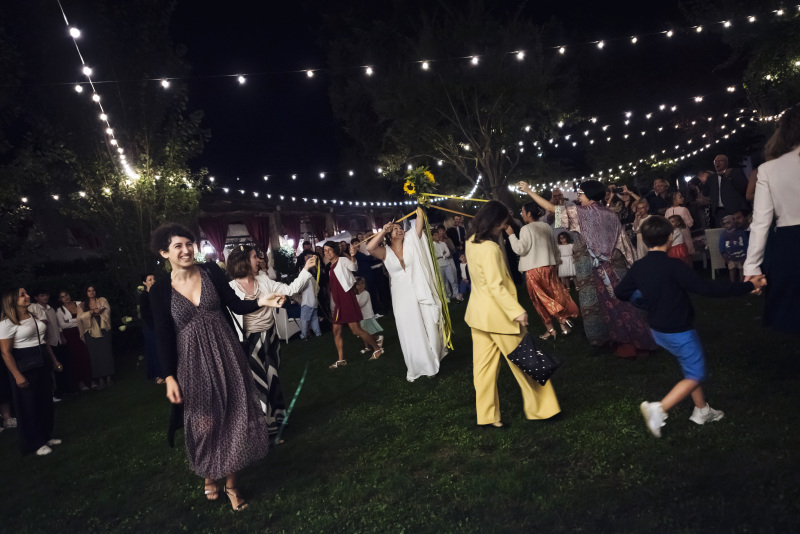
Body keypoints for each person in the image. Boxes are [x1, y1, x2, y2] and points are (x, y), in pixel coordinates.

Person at [149, 223, 285, 510]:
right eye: (178, 246)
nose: (186, 250)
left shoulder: (211, 271)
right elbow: (162, 336)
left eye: (189, 244)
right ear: (164, 253)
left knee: (235, 417)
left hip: (227, 355)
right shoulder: (160, 290)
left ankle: (232, 485)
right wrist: (169, 376)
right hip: (192, 364)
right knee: (204, 424)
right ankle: (210, 472)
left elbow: (235, 304)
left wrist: (261, 300)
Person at [614, 216, 765, 437]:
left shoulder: (639, 267)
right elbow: (707, 289)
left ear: (645, 240)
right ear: (670, 237)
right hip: (679, 331)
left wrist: (641, 298)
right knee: (697, 374)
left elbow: (620, 292)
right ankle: (659, 409)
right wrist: (747, 286)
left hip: (657, 330)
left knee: (689, 364)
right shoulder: (674, 266)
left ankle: (702, 410)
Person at [518, 180, 656, 356]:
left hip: (593, 269)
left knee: (600, 305)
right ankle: (632, 336)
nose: (578, 197)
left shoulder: (581, 213)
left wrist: (530, 191)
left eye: (581, 194)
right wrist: (632, 264)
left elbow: (552, 209)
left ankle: (608, 340)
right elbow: (624, 243)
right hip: (616, 266)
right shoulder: (611, 214)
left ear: (590, 195)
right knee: (622, 302)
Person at [464, 200, 560, 428]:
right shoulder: (489, 248)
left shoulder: (470, 241)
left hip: (478, 316)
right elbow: (495, 285)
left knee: (483, 371)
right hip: (500, 317)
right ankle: (544, 410)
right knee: (527, 362)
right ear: (495, 221)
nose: (504, 227)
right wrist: (516, 311)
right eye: (503, 223)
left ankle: (487, 417)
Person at [228, 245, 317, 436]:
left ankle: (278, 420)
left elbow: (291, 289)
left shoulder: (263, 279)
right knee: (258, 383)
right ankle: (264, 427)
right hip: (250, 342)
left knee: (272, 379)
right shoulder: (231, 288)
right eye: (255, 257)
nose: (259, 260)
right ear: (244, 262)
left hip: (270, 336)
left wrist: (305, 270)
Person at [367, 207, 446, 381]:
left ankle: (431, 359)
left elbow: (419, 223)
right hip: (401, 295)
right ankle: (417, 364)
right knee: (409, 327)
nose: (399, 230)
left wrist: (419, 206)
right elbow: (370, 247)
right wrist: (383, 231)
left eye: (400, 227)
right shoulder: (385, 251)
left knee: (425, 322)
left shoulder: (411, 241)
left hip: (419, 289)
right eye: (395, 229)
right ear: (389, 235)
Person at [744, 104, 800, 333]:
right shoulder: (768, 169)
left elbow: (760, 223)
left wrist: (752, 266)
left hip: (791, 244)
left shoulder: (769, 169)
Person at [0, 288, 62, 455]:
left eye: (26, 293)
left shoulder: (32, 316)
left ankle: (46, 436)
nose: (27, 296)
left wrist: (54, 360)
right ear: (12, 301)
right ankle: (33, 443)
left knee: (45, 401)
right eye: (22, 295)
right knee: (28, 405)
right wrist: (17, 375)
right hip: (24, 363)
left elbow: (44, 340)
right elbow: (5, 352)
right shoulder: (7, 323)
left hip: (42, 359)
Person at [507, 202, 578, 339]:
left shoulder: (526, 229)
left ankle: (551, 329)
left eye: (522, 211)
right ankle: (563, 325)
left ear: (529, 213)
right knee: (554, 295)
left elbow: (520, 249)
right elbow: (554, 247)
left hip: (533, 270)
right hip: (549, 267)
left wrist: (511, 235)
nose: (521, 214)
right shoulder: (546, 227)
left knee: (539, 300)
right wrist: (556, 262)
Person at [323, 241, 383, 369]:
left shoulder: (343, 260)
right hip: (338, 303)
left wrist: (352, 255)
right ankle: (341, 360)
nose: (327, 252)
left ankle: (377, 348)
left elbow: (354, 268)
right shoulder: (330, 267)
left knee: (356, 330)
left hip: (347, 299)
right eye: (325, 250)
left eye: (329, 250)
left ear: (335, 250)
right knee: (336, 331)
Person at [30, 290, 69, 400]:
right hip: (48, 342)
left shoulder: (51, 308)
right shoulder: (35, 309)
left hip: (57, 340)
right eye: (42, 295)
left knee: (61, 365)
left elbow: (57, 324)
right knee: (51, 368)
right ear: (36, 297)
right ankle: (55, 393)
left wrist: (61, 336)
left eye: (46, 295)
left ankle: (63, 389)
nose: (45, 297)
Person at [78, 285, 113, 390]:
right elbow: (80, 317)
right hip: (90, 331)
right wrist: (92, 312)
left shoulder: (102, 300)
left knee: (106, 353)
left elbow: (107, 310)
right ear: (86, 292)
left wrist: (98, 313)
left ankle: (109, 377)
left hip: (102, 327)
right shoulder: (82, 305)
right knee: (95, 355)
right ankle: (100, 378)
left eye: (93, 290)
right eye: (89, 290)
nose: (91, 292)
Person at [56, 291, 92, 392]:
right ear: (60, 299)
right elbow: (62, 325)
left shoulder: (79, 304)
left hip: (84, 330)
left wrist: (70, 321)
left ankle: (91, 379)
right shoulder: (59, 310)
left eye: (66, 295)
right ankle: (80, 382)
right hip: (71, 335)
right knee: (76, 358)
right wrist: (77, 320)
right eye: (62, 297)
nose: (66, 298)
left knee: (87, 355)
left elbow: (87, 317)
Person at [700, 154, 749, 227]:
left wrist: (730, 177)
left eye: (720, 161)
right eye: (715, 162)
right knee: (722, 231)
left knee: (737, 230)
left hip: (734, 210)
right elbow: (705, 192)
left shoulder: (734, 172)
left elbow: (743, 187)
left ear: (726, 162)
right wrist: (702, 181)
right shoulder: (712, 178)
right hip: (718, 212)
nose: (717, 163)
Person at [139, 273, 163, 384]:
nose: (153, 281)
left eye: (153, 278)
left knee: (163, 349)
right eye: (150, 280)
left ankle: (166, 373)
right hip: (150, 327)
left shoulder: (158, 293)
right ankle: (157, 375)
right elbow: (145, 314)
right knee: (154, 350)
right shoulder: (144, 296)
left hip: (161, 325)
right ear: (144, 283)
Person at [355, 277, 384, 354]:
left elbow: (361, 304)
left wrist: (353, 305)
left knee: (367, 333)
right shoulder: (356, 295)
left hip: (367, 316)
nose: (361, 286)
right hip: (361, 317)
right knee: (363, 332)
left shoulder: (366, 293)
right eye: (358, 284)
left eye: (362, 284)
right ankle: (367, 347)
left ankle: (378, 338)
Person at [432, 228, 459, 301]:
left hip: (447, 263)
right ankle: (447, 296)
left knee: (452, 280)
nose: (437, 236)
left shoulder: (443, 243)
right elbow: (435, 255)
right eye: (435, 235)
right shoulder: (432, 245)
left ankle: (455, 294)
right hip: (439, 265)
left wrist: (441, 255)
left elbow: (448, 253)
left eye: (438, 234)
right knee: (443, 282)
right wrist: (442, 254)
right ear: (432, 237)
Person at [296, 264, 322, 341]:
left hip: (307, 302)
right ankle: (318, 333)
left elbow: (299, 288)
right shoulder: (312, 278)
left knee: (304, 320)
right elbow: (318, 288)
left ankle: (304, 336)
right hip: (314, 302)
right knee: (314, 319)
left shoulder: (305, 278)